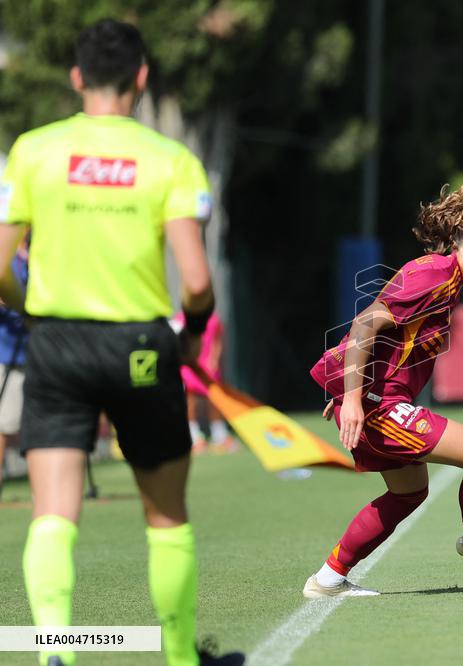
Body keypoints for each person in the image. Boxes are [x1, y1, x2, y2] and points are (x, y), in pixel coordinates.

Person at [0, 19, 241, 666]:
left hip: (57, 342)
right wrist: (191, 335)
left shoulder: (32, 151)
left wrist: (31, 312)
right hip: (139, 347)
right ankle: (182, 657)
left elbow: (0, 268)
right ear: (141, 78)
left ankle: (56, 652)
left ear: (77, 78)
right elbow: (195, 280)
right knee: (165, 517)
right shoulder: (170, 160)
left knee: (53, 512)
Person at [305, 180, 463, 597]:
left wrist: (345, 387)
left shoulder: (448, 279)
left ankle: (328, 579)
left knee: (407, 494)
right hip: (380, 406)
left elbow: (381, 334)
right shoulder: (435, 274)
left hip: (374, 399)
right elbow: (367, 323)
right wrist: (350, 398)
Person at [176, 312, 236, 454]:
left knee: (215, 400)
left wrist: (214, 359)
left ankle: (219, 436)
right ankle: (194, 438)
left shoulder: (213, 318)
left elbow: (217, 340)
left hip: (208, 367)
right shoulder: (180, 319)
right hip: (189, 367)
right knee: (191, 400)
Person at [0, 239, 29, 501]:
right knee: (3, 425)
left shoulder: (31, 257)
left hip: (33, 353)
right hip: (6, 355)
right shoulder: (6, 257)